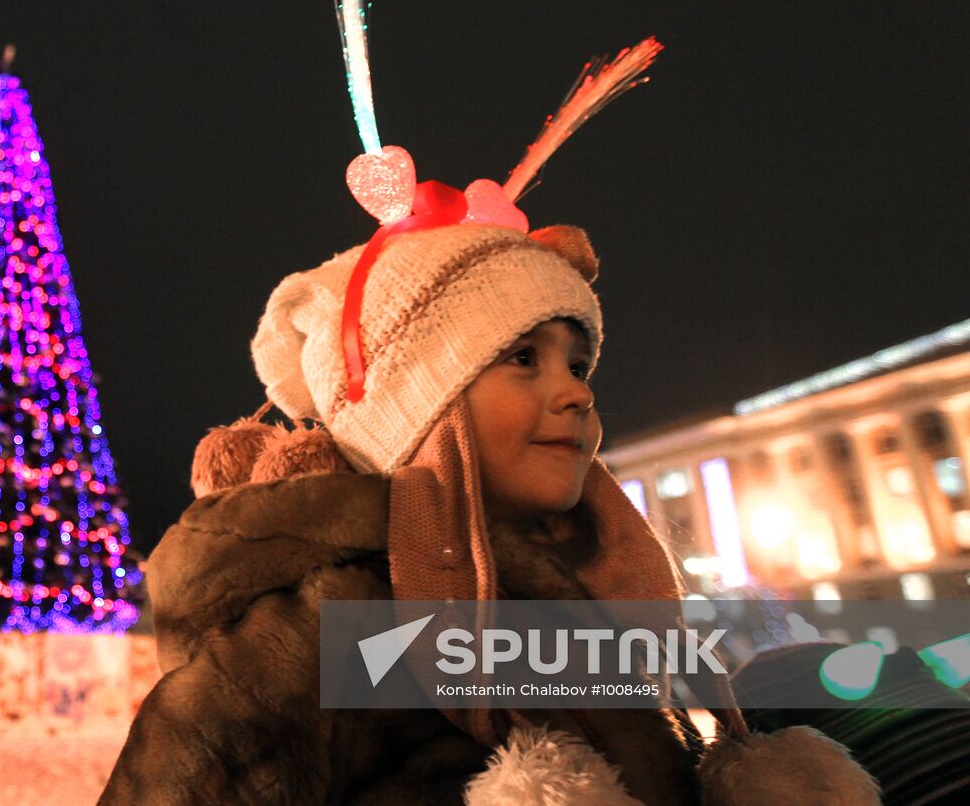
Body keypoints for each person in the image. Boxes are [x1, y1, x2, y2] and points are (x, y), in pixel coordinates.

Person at [99, 222, 881, 804]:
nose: (577, 390)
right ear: (418, 411)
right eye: (522, 358)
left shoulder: (585, 610)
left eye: (578, 363)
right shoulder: (319, 636)